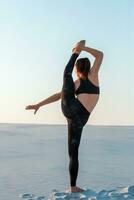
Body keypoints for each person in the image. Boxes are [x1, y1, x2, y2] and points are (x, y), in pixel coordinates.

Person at [25, 40, 103, 193]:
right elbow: (59, 95)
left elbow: (60, 96)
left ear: (78, 68)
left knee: (65, 74)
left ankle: (75, 54)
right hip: (81, 119)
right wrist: (39, 105)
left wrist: (80, 49)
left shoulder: (83, 80)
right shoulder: (90, 79)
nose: (73, 71)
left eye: (74, 68)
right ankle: (73, 186)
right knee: (74, 153)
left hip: (72, 111)